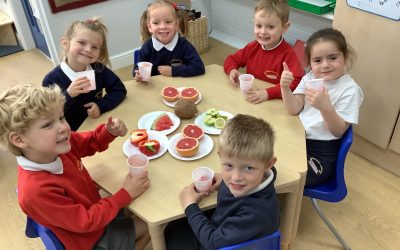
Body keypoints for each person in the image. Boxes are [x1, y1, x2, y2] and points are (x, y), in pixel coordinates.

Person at [0, 85, 150, 250]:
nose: (63, 127)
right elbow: (86, 222)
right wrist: (124, 195)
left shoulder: (55, 147)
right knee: (150, 225)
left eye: (61, 118)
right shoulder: (35, 190)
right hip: (90, 239)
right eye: (47, 125)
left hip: (93, 213)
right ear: (19, 140)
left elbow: (89, 141)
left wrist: (108, 132)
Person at [164, 114, 280, 249]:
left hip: (215, 241)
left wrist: (190, 206)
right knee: (172, 225)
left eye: (248, 168)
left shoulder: (255, 213)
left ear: (268, 164)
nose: (236, 177)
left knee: (171, 237)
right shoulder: (262, 175)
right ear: (220, 156)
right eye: (229, 165)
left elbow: (212, 242)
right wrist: (224, 178)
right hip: (224, 227)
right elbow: (270, 170)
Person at [280, 28, 364, 186]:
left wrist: (326, 108)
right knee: (265, 161)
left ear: (345, 58)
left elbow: (338, 131)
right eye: (317, 60)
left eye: (332, 58)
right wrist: (284, 88)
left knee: (288, 177)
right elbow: (294, 109)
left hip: (321, 151)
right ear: (310, 63)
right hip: (299, 137)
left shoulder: (350, 90)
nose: (325, 65)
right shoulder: (310, 78)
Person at [43, 17, 127, 131]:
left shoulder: (98, 70)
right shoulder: (51, 80)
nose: (88, 49)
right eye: (82, 43)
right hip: (71, 135)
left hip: (98, 127)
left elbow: (119, 89)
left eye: (94, 47)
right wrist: (67, 95)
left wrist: (100, 106)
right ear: (65, 43)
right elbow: (47, 114)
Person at [223, 0, 304, 103]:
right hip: (251, 97)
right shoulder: (252, 47)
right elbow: (232, 59)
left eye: (270, 27)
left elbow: (296, 83)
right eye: (259, 26)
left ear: (284, 27)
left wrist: (268, 93)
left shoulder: (288, 54)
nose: (263, 32)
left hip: (273, 103)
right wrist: (232, 70)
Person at [134, 0, 205, 80]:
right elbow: (136, 69)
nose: (163, 27)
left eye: (168, 22)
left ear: (176, 24)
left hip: (180, 85)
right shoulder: (147, 47)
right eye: (156, 23)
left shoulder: (184, 45)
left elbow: (199, 67)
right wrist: (138, 74)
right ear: (149, 27)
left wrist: (173, 71)